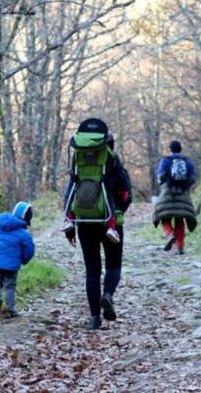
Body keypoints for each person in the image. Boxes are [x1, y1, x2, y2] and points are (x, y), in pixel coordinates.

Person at [61, 118, 132, 330]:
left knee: (92, 270)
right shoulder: (113, 161)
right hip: (110, 219)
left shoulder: (78, 160)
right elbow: (126, 193)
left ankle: (94, 318)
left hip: (84, 220)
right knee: (113, 264)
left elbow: (70, 193)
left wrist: (71, 223)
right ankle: (108, 295)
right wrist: (119, 211)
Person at [0, 201, 36, 318]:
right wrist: (23, 260)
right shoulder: (24, 233)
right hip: (12, 265)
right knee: (10, 286)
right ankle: (10, 309)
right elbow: (30, 250)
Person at [153, 140, 198, 254]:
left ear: (170, 149)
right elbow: (193, 177)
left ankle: (170, 234)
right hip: (183, 193)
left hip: (168, 192)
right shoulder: (188, 161)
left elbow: (160, 176)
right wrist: (185, 185)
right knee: (180, 219)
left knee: (163, 217)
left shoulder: (165, 161)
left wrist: (164, 184)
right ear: (180, 149)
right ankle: (180, 247)